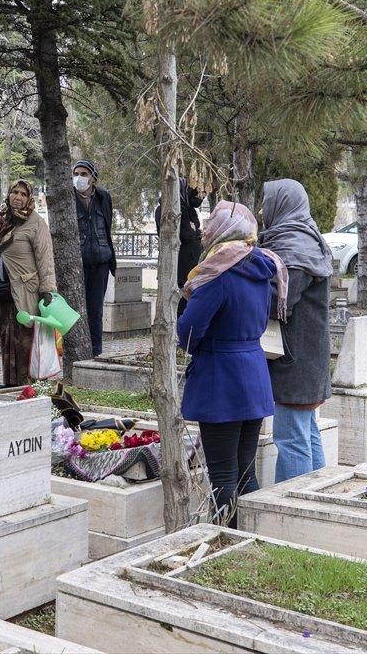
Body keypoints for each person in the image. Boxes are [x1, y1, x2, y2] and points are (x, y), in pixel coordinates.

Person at [177, 201, 287, 526]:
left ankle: (225, 538)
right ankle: (251, 536)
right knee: (245, 472)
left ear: (221, 232)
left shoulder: (218, 273)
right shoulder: (261, 268)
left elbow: (189, 331)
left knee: (223, 475)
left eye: (211, 224)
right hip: (253, 373)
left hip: (221, 380)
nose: (205, 231)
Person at [258, 179, 335, 483]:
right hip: (307, 356)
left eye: (266, 202)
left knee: (291, 438)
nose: (262, 211)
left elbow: (279, 304)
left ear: (283, 204)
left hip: (295, 361)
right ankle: (315, 497)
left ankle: (291, 501)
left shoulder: (294, 249)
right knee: (306, 431)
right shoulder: (307, 239)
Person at [0, 179, 56, 386]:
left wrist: (47, 289)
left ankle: (26, 384)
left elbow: (45, 257)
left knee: (23, 338)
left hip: (25, 290)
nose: (18, 197)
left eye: (23, 194)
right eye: (14, 192)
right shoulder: (1, 220)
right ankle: (9, 383)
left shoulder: (36, 223)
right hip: (1, 290)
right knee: (6, 337)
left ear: (29, 198)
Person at [72, 159, 116, 357]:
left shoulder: (103, 197)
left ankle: (96, 351)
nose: (79, 178)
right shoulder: (68, 198)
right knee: (77, 310)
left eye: (84, 174)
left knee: (96, 310)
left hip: (101, 262)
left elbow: (107, 226)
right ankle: (77, 351)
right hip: (78, 264)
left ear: (93, 178)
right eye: (76, 174)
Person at [154, 177, 204, 317]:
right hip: (180, 267)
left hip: (188, 266)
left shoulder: (187, 208)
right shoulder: (173, 209)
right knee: (180, 307)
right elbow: (187, 234)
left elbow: (193, 229)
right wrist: (196, 231)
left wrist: (194, 230)